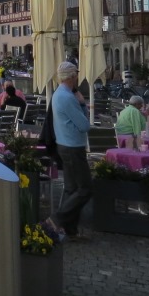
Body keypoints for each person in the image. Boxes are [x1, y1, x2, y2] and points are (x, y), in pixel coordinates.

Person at [46, 61, 92, 240]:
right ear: (72, 76)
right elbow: (84, 125)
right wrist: (82, 104)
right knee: (85, 189)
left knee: (72, 189)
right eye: (76, 75)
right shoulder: (67, 97)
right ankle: (56, 219)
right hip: (73, 147)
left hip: (64, 145)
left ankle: (70, 230)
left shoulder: (58, 94)